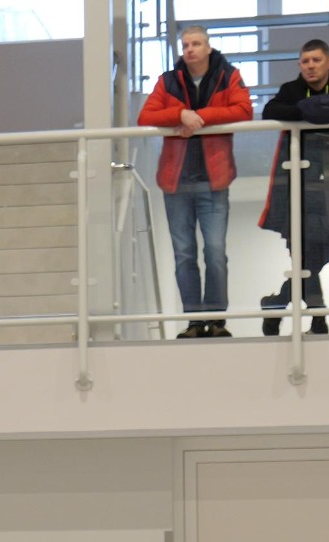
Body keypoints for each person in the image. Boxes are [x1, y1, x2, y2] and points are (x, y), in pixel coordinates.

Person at [139, 27, 252, 338]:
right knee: (184, 254)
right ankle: (193, 320)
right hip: (176, 181)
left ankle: (215, 320)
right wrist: (180, 114)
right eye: (186, 44)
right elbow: (145, 116)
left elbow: (244, 110)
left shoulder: (228, 75)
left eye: (196, 43)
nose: (190, 49)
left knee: (215, 251)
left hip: (213, 180)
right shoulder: (168, 80)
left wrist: (197, 117)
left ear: (208, 47)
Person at [258, 41, 329, 337]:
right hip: (300, 184)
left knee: (319, 253)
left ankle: (278, 303)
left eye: (316, 60)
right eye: (305, 61)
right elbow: (270, 111)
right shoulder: (291, 89)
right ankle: (318, 317)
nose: (310, 66)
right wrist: (308, 111)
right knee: (306, 253)